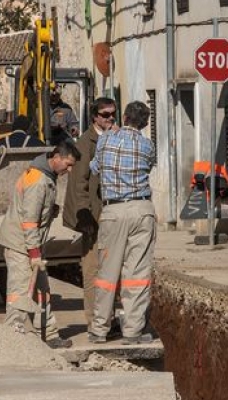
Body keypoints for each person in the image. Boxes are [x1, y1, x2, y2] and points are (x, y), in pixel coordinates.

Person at [0, 139, 81, 349]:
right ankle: (12, 337)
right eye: (68, 164)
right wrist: (34, 252)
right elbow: (29, 221)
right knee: (20, 291)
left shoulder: (46, 177)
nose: (69, 170)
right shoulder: (38, 181)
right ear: (57, 157)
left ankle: (49, 335)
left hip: (30, 245)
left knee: (42, 291)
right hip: (21, 245)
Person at [88, 101, 157, 345]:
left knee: (107, 273)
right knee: (136, 273)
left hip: (113, 210)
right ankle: (133, 331)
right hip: (141, 210)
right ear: (145, 123)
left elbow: (94, 168)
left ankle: (99, 329)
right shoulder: (148, 146)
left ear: (124, 117)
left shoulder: (106, 140)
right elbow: (148, 166)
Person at [62, 97, 118, 328]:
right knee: (93, 269)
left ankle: (108, 317)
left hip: (111, 214)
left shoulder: (114, 138)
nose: (110, 118)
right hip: (93, 217)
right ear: (95, 116)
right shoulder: (86, 144)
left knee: (110, 270)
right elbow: (79, 183)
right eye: (105, 115)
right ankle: (94, 319)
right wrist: (84, 215)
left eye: (113, 114)